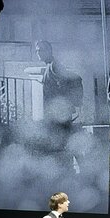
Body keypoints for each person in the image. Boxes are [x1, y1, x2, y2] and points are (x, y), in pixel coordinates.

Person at [35, 40, 84, 175]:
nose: (38, 53)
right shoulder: (50, 66)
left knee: (64, 147)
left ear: (49, 51)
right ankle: (74, 173)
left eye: (41, 50)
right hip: (57, 117)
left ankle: (73, 175)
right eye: (37, 50)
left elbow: (65, 84)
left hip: (59, 117)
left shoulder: (55, 66)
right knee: (66, 147)